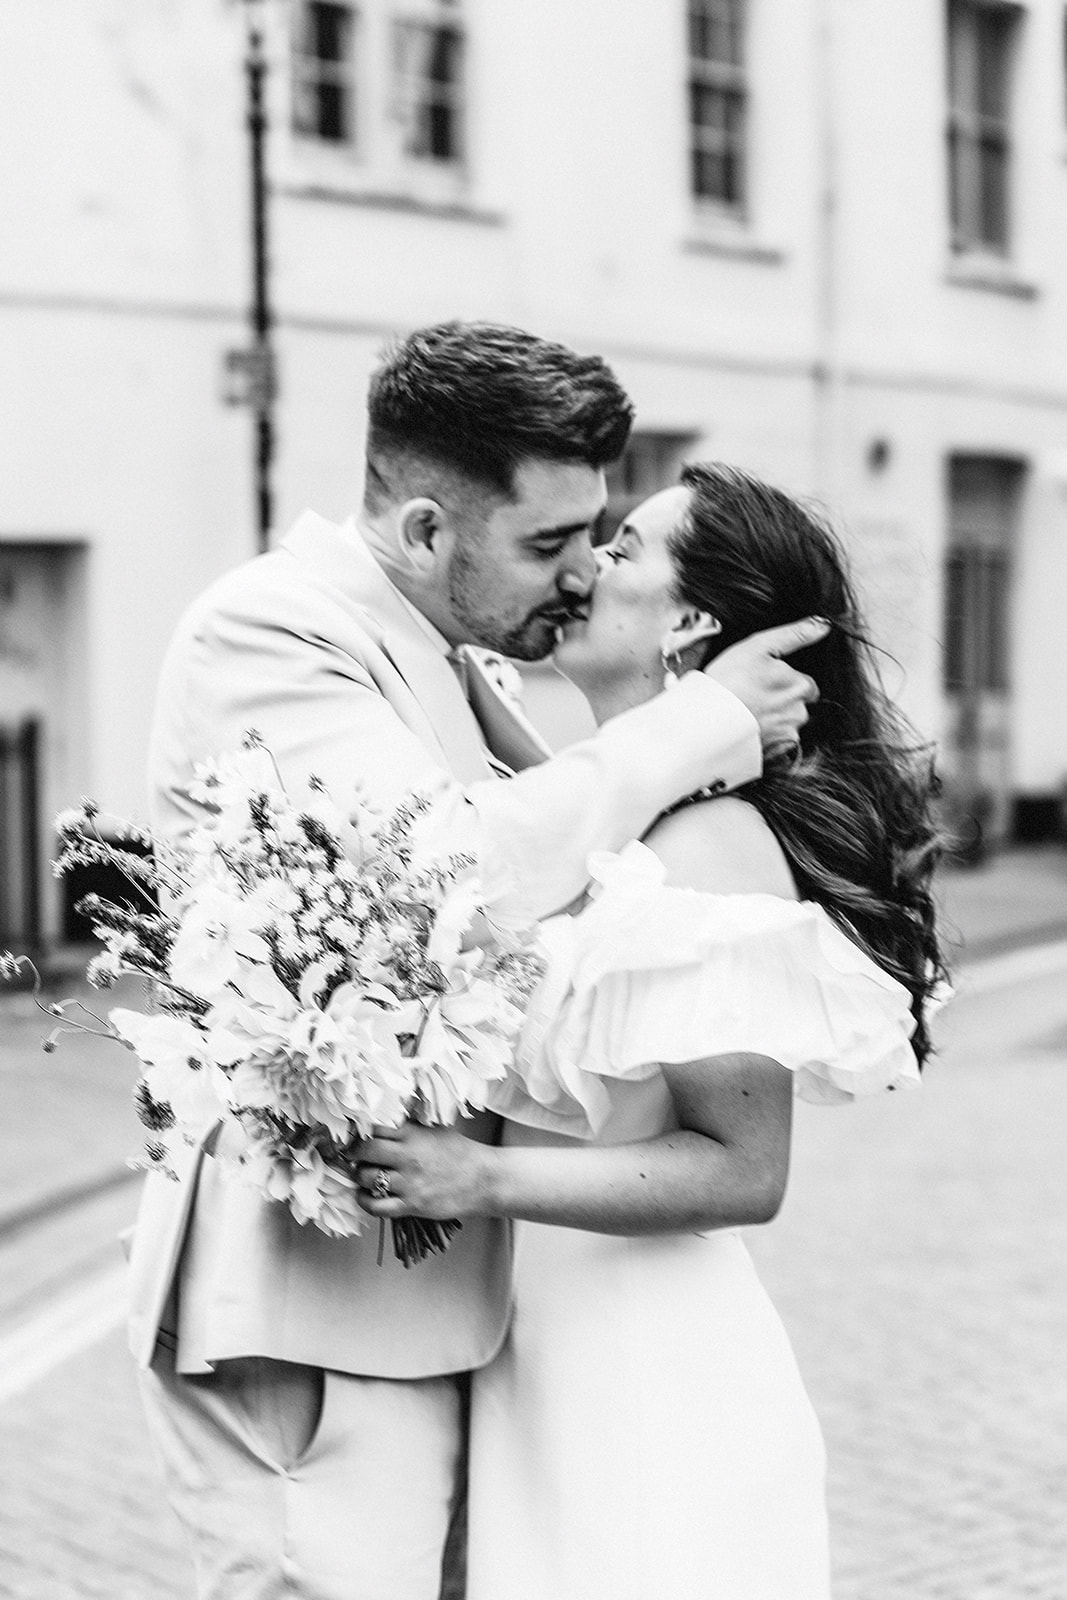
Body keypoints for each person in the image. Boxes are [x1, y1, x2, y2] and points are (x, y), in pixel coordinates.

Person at [128, 325, 827, 1600]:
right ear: (425, 531)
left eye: (598, 539)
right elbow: (443, 876)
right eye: (549, 545)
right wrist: (700, 720)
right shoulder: (277, 632)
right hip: (315, 1317)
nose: (575, 577)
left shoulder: (455, 660)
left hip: (462, 1315)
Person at [355, 462, 947, 1600]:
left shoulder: (714, 846)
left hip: (650, 1389)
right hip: (550, 1360)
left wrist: (473, 1178)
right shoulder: (638, 824)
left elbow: (742, 1168)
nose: (585, 568)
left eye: (622, 550)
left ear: (686, 621)